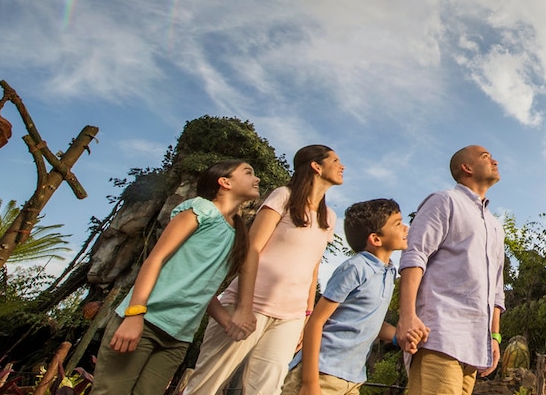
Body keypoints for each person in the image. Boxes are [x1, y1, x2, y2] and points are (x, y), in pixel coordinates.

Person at [183, 144, 345, 395]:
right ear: (316, 166)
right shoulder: (284, 196)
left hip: (290, 317)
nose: (341, 166)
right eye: (335, 161)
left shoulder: (329, 217)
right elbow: (252, 249)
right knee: (207, 385)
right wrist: (244, 307)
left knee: (266, 389)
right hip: (250, 305)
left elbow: (313, 268)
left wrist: (306, 317)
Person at [92, 160, 261, 395]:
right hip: (145, 321)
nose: (257, 178)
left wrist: (228, 322)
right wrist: (134, 314)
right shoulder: (202, 209)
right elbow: (156, 259)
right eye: (248, 172)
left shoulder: (237, 236)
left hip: (178, 339)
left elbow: (203, 289)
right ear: (225, 182)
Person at [397, 144, 505, 395]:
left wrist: (494, 336)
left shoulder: (495, 226)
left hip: (475, 348)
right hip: (440, 336)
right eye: (486, 156)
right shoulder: (444, 201)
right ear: (467, 167)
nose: (495, 161)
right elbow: (414, 256)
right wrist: (407, 316)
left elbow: (496, 287)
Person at [280, 198, 407, 395]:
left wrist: (402, 336)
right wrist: (309, 382)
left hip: (352, 379)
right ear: (376, 239)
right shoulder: (356, 268)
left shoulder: (388, 273)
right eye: (397, 224)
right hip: (322, 373)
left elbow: (369, 321)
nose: (405, 228)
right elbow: (316, 322)